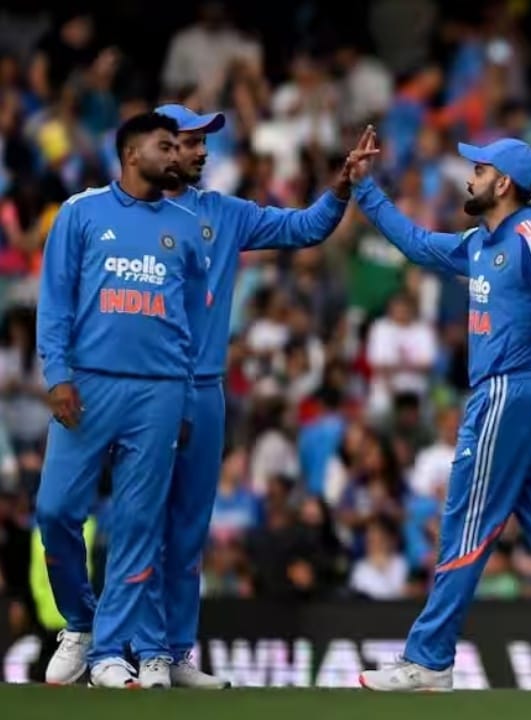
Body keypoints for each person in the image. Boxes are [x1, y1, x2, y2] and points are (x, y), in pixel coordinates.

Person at [343, 132, 531, 692]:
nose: (470, 178)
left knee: (466, 522)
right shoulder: (479, 242)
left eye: (480, 170)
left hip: (511, 391)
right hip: (524, 396)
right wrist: (365, 191)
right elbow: (418, 244)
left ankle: (430, 657)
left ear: (503, 183)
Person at [108, 103, 355, 690]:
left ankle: (174, 653)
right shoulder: (127, 214)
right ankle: (136, 650)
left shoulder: (225, 212)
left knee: (189, 529)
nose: (201, 152)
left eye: (204, 142)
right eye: (191, 141)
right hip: (149, 388)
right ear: (162, 145)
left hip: (206, 390)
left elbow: (304, 228)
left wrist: (340, 188)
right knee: (144, 522)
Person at [35, 111, 207, 688]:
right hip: (88, 386)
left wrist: (185, 401)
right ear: (133, 154)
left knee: (137, 524)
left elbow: (190, 326)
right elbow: (55, 300)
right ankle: (81, 623)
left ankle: (109, 653)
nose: (176, 155)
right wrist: (58, 376)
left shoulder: (185, 226)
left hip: (159, 391)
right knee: (55, 511)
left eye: (178, 147)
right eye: (166, 146)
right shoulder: (81, 212)